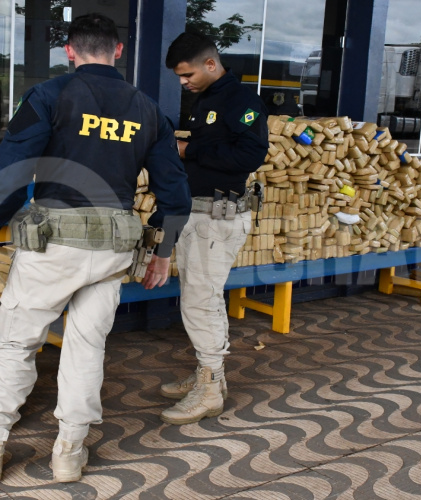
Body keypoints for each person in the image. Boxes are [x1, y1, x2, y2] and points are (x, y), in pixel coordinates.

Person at [0, 13, 191, 483]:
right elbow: (175, 190)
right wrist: (164, 248)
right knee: (86, 347)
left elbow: (14, 168)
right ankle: (69, 453)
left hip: (53, 245)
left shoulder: (50, 95)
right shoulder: (148, 109)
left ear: (71, 52)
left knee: (17, 343)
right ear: (118, 51)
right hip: (114, 248)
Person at [143, 32, 269, 425]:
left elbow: (251, 154)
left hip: (219, 217)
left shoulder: (241, 101)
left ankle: (211, 388)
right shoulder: (209, 99)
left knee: (203, 300)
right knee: (197, 298)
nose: (183, 83)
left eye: (187, 74)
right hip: (200, 214)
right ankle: (206, 373)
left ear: (211, 64)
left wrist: (188, 150)